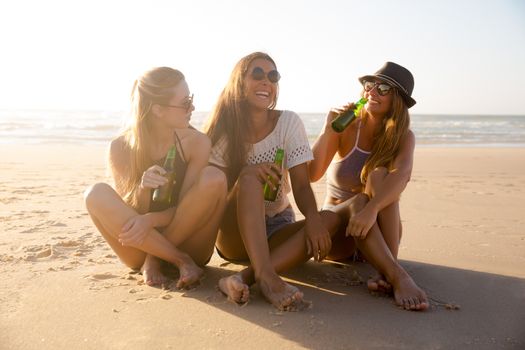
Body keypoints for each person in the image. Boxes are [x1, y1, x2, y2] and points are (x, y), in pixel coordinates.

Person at [204, 52, 340, 311]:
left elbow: (301, 185)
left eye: (273, 76)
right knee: (250, 178)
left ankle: (245, 276)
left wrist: (312, 218)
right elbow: (213, 193)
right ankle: (266, 277)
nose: (266, 81)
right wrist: (248, 173)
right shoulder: (225, 130)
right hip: (234, 232)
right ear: (239, 82)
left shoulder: (288, 122)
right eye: (257, 74)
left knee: (329, 219)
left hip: (277, 225)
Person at [84, 67, 227, 288]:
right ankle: (178, 260)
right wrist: (143, 189)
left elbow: (187, 210)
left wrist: (150, 219)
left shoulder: (197, 143)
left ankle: (158, 259)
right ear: (158, 110)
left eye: (191, 99)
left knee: (214, 178)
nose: (193, 107)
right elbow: (128, 215)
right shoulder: (121, 148)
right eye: (185, 102)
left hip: (188, 243)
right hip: (141, 247)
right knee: (95, 193)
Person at [308, 62, 429, 311]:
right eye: (369, 85)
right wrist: (328, 130)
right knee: (370, 188)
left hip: (376, 235)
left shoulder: (404, 137)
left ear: (398, 99)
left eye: (383, 88)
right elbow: (311, 174)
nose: (372, 91)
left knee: (378, 177)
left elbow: (402, 175)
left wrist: (372, 208)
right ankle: (396, 276)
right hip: (338, 234)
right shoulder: (347, 126)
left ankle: (387, 269)